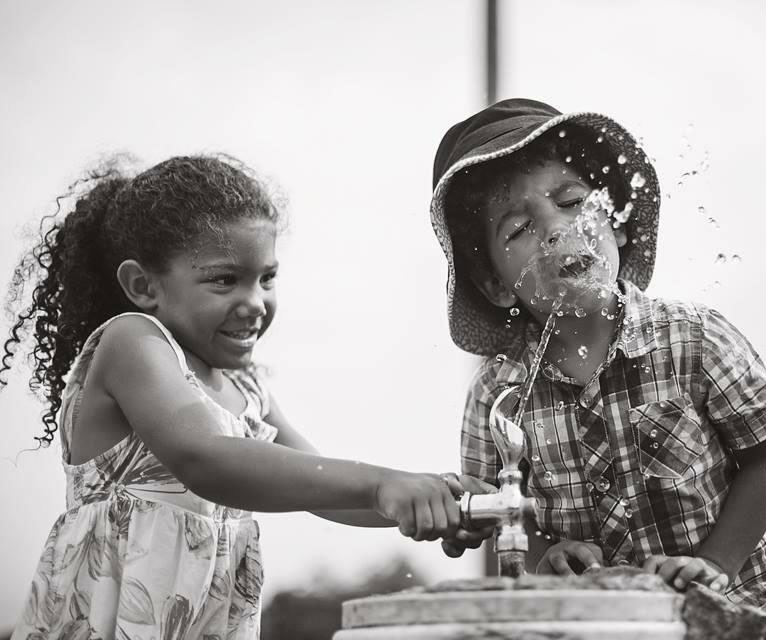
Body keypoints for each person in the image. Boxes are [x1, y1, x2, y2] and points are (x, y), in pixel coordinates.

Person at [1, 155, 476, 639]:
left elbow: (322, 491)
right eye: (225, 279)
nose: (255, 302)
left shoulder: (247, 389)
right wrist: (381, 484)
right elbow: (205, 458)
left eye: (267, 278)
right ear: (143, 286)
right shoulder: (133, 342)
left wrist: (433, 500)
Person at [430, 99, 766, 613]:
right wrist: (544, 555)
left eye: (572, 201)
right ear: (496, 285)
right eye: (518, 229)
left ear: (618, 223)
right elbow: (501, 513)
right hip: (591, 622)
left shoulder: (694, 339)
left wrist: (715, 564)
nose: (555, 229)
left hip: (722, 614)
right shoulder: (499, 395)